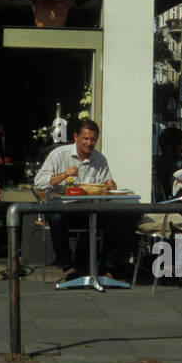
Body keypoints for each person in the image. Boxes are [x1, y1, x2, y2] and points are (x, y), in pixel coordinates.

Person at [34, 118, 117, 281]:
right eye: (85, 138)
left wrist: (110, 185)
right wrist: (64, 174)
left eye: (93, 139)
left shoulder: (99, 159)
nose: (89, 143)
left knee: (118, 217)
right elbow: (39, 182)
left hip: (88, 210)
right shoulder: (59, 154)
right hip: (62, 207)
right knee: (57, 218)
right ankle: (67, 267)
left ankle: (108, 268)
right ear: (76, 137)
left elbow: (106, 187)